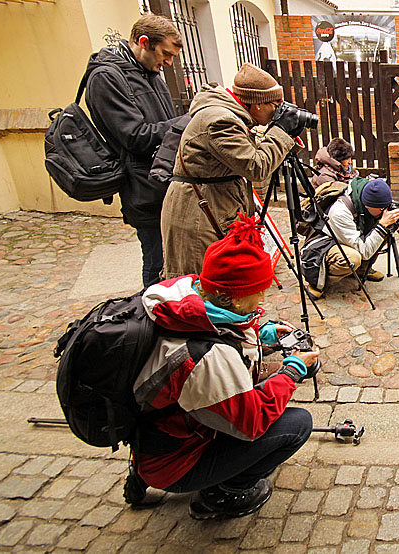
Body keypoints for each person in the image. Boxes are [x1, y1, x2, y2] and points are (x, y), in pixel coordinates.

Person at [131, 213, 319, 520]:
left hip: (159, 438)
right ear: (232, 297)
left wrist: (263, 335)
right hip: (174, 462)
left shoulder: (185, 299)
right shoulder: (207, 358)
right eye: (257, 292)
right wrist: (292, 370)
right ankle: (221, 495)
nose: (261, 300)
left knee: (260, 395)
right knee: (296, 425)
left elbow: (222, 330)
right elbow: (251, 423)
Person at [160, 63, 308, 280]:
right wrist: (281, 132)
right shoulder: (220, 120)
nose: (277, 111)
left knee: (220, 281)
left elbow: (248, 152)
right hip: (199, 214)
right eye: (274, 105)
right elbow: (255, 166)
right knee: (202, 284)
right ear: (257, 104)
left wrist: (286, 136)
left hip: (214, 204)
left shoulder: (230, 116)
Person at [85, 13, 184, 288]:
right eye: (165, 54)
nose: (168, 63)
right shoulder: (106, 78)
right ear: (143, 42)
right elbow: (135, 136)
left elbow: (163, 127)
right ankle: (152, 321)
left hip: (166, 181)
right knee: (157, 262)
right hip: (144, 188)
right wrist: (186, 122)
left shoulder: (149, 72)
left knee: (176, 263)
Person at [301, 178, 399, 298]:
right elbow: (364, 251)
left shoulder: (364, 194)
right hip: (323, 244)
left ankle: (361, 271)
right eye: (382, 208)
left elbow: (377, 207)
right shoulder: (340, 212)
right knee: (353, 258)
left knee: (384, 231)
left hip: (346, 235)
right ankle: (318, 282)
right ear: (367, 205)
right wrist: (382, 225)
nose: (385, 211)